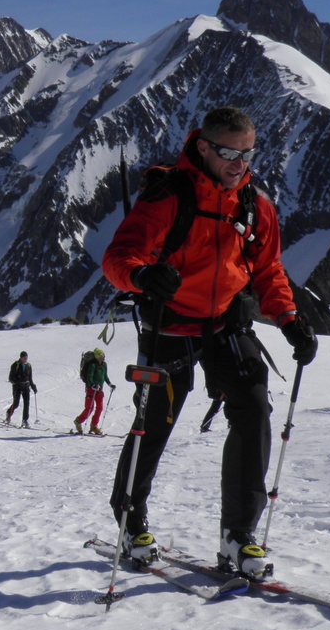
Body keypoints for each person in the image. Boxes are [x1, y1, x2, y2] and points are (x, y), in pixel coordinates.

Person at [101, 106, 318, 576]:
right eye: (229, 153)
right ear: (203, 147)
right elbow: (119, 256)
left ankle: (238, 535)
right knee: (154, 423)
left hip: (224, 324)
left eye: (248, 154)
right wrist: (141, 276)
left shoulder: (254, 205)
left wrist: (288, 319)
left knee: (253, 409)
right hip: (169, 324)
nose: (240, 164)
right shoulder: (168, 196)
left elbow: (267, 270)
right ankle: (130, 521)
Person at [74, 347, 115, 435]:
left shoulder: (104, 365)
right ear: (97, 356)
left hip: (99, 389)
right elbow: (89, 377)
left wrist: (110, 384)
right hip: (91, 389)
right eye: (101, 355)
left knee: (100, 408)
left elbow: (105, 376)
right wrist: (92, 384)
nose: (103, 357)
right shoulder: (92, 365)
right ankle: (78, 421)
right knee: (89, 408)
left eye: (103, 355)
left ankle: (94, 426)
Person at [4, 351, 37, 427]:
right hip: (17, 387)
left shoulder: (28, 365)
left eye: (26, 358)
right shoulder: (15, 365)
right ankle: (8, 414)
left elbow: (30, 378)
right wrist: (16, 382)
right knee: (16, 403)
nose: (25, 359)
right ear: (21, 357)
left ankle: (25, 420)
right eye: (24, 358)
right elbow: (10, 378)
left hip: (26, 386)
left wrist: (33, 386)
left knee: (26, 403)